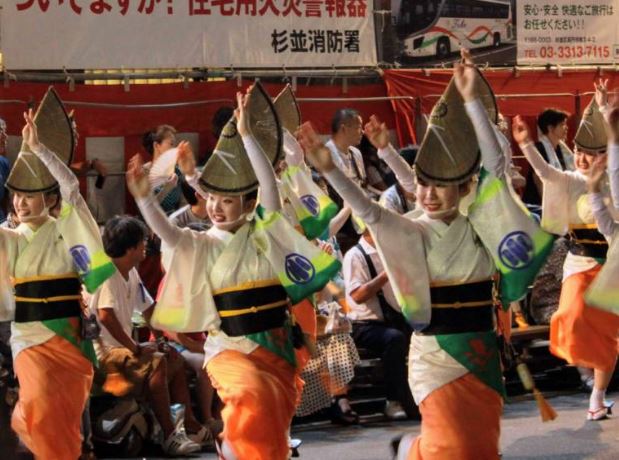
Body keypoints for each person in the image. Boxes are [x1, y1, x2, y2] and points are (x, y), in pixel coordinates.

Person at [298, 50, 550, 459]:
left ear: (464, 186)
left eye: (439, 186)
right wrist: (328, 169)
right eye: (423, 185)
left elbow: (497, 166)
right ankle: (415, 450)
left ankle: (411, 452)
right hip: (434, 355)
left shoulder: (482, 225)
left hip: (481, 350)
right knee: (453, 447)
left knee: (480, 448)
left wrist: (471, 101)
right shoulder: (411, 227)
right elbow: (367, 210)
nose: (428, 194)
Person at [128, 85, 339, 460]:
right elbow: (168, 233)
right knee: (248, 396)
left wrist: (246, 136)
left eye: (227, 200)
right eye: (212, 199)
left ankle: (234, 450)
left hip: (275, 344)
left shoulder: (267, 232)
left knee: (273, 423)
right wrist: (144, 199)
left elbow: (271, 186)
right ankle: (232, 446)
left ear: (247, 202)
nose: (216, 208)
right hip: (228, 347)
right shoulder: (203, 243)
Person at [1, 92, 115, 459]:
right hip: (29, 337)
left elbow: (71, 190)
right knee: (41, 409)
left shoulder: (68, 228)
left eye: (29, 196)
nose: (20, 202)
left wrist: (41, 151)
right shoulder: (10, 237)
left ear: (50, 200)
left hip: (69, 337)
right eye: (16, 195)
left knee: (62, 419)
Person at [513, 79, 619, 421]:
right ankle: (587, 375)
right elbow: (546, 173)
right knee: (569, 319)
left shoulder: (614, 184)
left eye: (594, 152)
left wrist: (606, 115)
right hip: (580, 261)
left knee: (607, 334)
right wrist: (527, 144)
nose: (585, 158)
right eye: (581, 151)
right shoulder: (572, 179)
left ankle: (597, 397)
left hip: (612, 266)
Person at [89, 215, 207, 455]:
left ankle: (189, 424)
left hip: (123, 350)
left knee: (172, 356)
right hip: (104, 355)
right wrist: (135, 348)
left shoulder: (130, 271)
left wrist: (161, 341)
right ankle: (169, 434)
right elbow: (105, 317)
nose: (146, 246)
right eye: (142, 242)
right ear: (131, 247)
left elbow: (150, 311)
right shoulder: (107, 273)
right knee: (158, 364)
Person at [344, 229, 415, 419]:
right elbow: (358, 296)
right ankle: (393, 401)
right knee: (395, 339)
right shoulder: (355, 255)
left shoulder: (390, 251)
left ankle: (420, 397)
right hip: (365, 324)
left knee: (422, 330)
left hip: (394, 317)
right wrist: (386, 274)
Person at [522, 107, 574, 205]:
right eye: (562, 124)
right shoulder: (539, 148)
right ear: (550, 128)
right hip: (538, 203)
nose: (566, 127)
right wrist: (547, 205)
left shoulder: (561, 149)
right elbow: (538, 179)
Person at [0, 118, 10, 224]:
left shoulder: (3, 163)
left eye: (5, 131)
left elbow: (7, 198)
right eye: (0, 131)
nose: (5, 137)